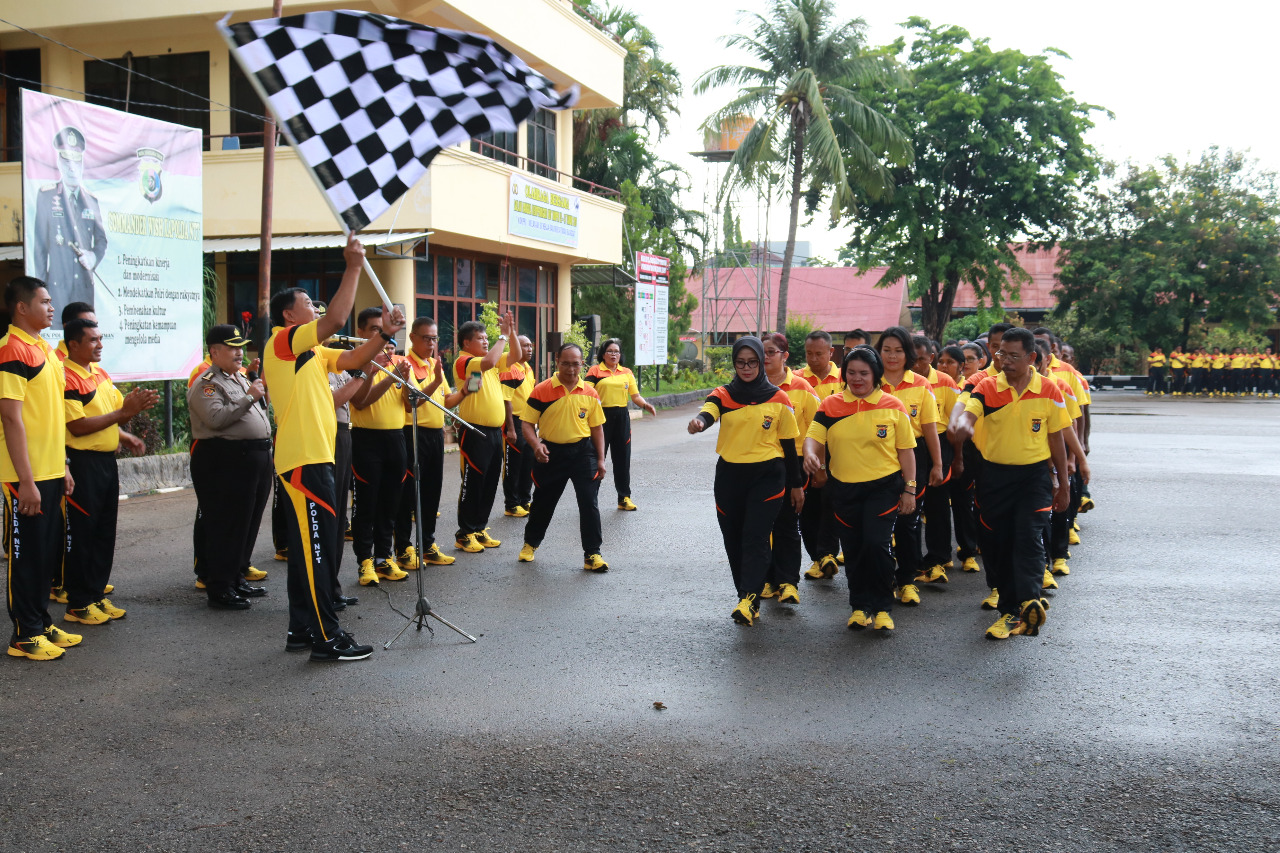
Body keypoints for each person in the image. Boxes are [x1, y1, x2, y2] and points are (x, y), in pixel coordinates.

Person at [264, 235, 403, 662]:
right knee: (319, 550)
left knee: (313, 549)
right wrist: (354, 266)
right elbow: (339, 317)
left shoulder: (312, 352)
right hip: (302, 460)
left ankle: (302, 629)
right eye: (308, 303)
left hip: (315, 458)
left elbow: (353, 359)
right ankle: (327, 637)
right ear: (290, 314)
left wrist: (384, 334)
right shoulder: (282, 342)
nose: (317, 308)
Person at [949, 327, 1070, 640]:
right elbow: (969, 412)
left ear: (1031, 357)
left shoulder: (1049, 389)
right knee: (996, 545)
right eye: (1001, 354)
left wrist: (1064, 484)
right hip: (994, 477)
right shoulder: (988, 387)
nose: (1005, 360)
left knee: (1028, 537)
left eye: (1014, 355)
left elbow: (1056, 438)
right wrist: (961, 424)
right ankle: (1008, 608)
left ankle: (1027, 602)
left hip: (1034, 478)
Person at [688, 336, 803, 626]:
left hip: (768, 475)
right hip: (730, 476)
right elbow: (710, 410)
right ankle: (745, 592)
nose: (747, 368)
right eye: (741, 362)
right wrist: (700, 422)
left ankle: (749, 599)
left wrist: (796, 484)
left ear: (761, 363)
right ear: (735, 362)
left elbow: (789, 446)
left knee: (755, 536)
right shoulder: (725, 394)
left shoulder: (779, 398)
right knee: (734, 538)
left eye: (753, 362)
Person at [803, 347, 916, 633]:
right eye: (851, 372)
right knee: (853, 548)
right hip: (843, 490)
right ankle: (859, 606)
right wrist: (809, 455)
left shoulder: (893, 405)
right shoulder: (830, 405)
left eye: (864, 373)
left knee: (876, 545)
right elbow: (812, 437)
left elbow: (906, 452)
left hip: (884, 488)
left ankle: (881, 607)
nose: (857, 378)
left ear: (875, 374)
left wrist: (910, 489)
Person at [2, 277, 77, 660]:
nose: (51, 307)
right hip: (24, 477)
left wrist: (62, 464)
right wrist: (26, 481)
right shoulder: (11, 350)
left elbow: (51, 416)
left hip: (49, 470)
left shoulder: (45, 350)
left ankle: (40, 621)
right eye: (45, 301)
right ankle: (24, 635)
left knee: (46, 554)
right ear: (21, 307)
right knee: (26, 556)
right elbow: (12, 419)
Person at [61, 317, 154, 624]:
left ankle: (96, 595)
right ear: (73, 344)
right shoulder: (67, 377)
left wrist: (125, 436)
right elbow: (76, 425)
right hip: (81, 463)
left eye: (101, 339)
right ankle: (78, 603)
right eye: (92, 340)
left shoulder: (99, 373)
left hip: (104, 464)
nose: (100, 345)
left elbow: (112, 414)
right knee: (82, 535)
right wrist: (124, 413)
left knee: (104, 532)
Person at [187, 325, 274, 610]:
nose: (240, 353)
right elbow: (216, 418)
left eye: (241, 347)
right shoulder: (207, 382)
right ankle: (220, 586)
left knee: (247, 521)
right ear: (215, 351)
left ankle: (236, 576)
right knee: (226, 523)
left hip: (254, 457)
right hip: (225, 459)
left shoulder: (238, 377)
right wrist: (249, 396)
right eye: (232, 347)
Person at [518, 343, 610, 571]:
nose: (570, 369)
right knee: (543, 502)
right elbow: (527, 424)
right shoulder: (542, 389)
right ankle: (530, 544)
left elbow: (597, 428)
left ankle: (593, 554)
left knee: (589, 503)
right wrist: (536, 445)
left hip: (583, 453)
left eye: (575, 364)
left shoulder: (590, 392)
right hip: (550, 453)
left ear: (582, 364)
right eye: (566, 363)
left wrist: (600, 459)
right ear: (556, 362)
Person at [875, 327, 942, 606]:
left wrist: (938, 464)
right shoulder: (867, 380)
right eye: (887, 350)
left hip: (915, 457)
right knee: (879, 525)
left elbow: (929, 429)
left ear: (908, 354)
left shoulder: (920, 384)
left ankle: (907, 580)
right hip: (876, 457)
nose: (892, 356)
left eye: (898, 350)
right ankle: (882, 581)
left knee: (908, 522)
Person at [348, 308, 411, 587]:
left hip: (396, 438)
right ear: (361, 332)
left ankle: (385, 557)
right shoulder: (356, 362)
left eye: (382, 329)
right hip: (366, 440)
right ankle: (365, 561)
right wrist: (384, 376)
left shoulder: (398, 361)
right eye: (374, 329)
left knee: (391, 502)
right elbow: (361, 401)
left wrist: (406, 382)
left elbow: (411, 404)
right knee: (367, 503)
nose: (380, 335)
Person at [394, 317, 457, 569]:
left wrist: (464, 392)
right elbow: (413, 401)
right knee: (408, 493)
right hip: (412, 433)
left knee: (432, 491)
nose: (431, 343)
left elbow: (444, 401)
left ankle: (428, 544)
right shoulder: (403, 364)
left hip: (434, 436)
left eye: (434, 338)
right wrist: (435, 380)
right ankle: (403, 547)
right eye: (426, 338)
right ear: (412, 338)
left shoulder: (434, 364)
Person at [759, 332, 817, 605]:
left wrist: (817, 462)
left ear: (785, 356)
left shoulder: (803, 388)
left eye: (771, 352)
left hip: (792, 462)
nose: (765, 357)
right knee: (762, 524)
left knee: (787, 522)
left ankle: (788, 582)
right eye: (762, 352)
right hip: (760, 463)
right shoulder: (752, 387)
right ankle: (768, 579)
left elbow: (818, 427)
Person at [453, 313, 517, 552]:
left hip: (493, 432)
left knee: (490, 481)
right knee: (474, 481)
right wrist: (502, 335)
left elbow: (517, 356)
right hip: (474, 430)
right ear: (466, 343)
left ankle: (479, 527)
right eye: (481, 338)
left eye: (486, 338)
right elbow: (489, 362)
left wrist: (510, 333)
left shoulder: (487, 362)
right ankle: (464, 532)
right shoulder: (466, 361)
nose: (486, 342)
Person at [29, 127, 107, 315]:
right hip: (57, 292)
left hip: (84, 293)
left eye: (76, 162)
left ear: (82, 165)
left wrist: (94, 256)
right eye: (66, 161)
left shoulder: (91, 201)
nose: (72, 168)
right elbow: (40, 249)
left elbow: (102, 240)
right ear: (59, 162)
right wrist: (41, 297)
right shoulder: (46, 196)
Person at [585, 338, 655, 511]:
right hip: (601, 418)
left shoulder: (626, 372)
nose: (613, 354)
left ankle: (624, 497)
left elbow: (635, 396)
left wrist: (645, 405)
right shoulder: (595, 371)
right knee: (596, 457)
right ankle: (590, 497)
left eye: (616, 351)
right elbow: (585, 393)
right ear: (603, 354)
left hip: (622, 417)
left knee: (622, 458)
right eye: (610, 351)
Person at [912, 334, 960, 584]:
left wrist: (955, 457)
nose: (916, 364)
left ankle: (939, 557)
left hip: (939, 443)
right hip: (909, 445)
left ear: (931, 358)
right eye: (912, 358)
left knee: (937, 503)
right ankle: (912, 561)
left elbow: (957, 420)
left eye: (921, 359)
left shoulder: (945, 381)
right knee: (912, 504)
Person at [798, 330, 842, 579]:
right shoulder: (798, 380)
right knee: (809, 508)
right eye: (809, 354)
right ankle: (818, 557)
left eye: (819, 354)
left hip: (841, 453)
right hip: (810, 454)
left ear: (831, 352)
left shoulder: (845, 379)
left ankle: (828, 552)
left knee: (832, 504)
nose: (813, 359)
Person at [500, 334, 538, 517]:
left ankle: (525, 500)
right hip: (514, 421)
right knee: (513, 465)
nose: (529, 349)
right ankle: (511, 504)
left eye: (530, 346)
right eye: (524, 346)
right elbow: (507, 400)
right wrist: (510, 428)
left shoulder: (528, 368)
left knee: (528, 463)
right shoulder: (509, 368)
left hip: (528, 422)